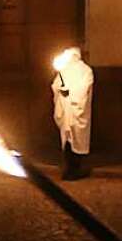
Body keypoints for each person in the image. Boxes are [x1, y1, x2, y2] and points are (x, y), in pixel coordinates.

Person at [52, 47, 93, 180]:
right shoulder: (66, 70)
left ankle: (74, 168)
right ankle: (71, 168)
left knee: (74, 138)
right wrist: (62, 90)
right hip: (68, 110)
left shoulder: (84, 71)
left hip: (73, 110)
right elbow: (56, 85)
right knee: (69, 139)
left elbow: (83, 88)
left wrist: (68, 94)